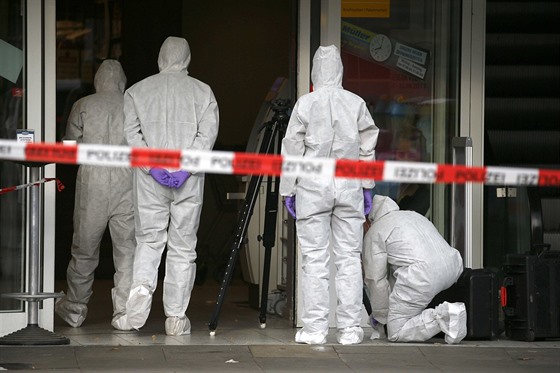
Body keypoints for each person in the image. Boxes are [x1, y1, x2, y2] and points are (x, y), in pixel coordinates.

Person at [118, 36, 219, 336]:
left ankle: (137, 301)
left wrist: (154, 166)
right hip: (188, 180)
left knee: (149, 241)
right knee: (183, 246)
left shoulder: (137, 91)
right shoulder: (203, 92)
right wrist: (185, 167)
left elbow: (131, 135)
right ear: (187, 58)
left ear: (160, 57)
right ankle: (175, 318)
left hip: (151, 180)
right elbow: (208, 134)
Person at [279, 45, 379, 345]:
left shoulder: (305, 104)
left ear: (314, 71)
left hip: (312, 188)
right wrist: (368, 186)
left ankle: (315, 328)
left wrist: (288, 189)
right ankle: (349, 329)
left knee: (314, 259)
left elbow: (292, 150)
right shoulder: (356, 103)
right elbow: (367, 147)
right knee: (349, 258)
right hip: (349, 186)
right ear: (339, 69)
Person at [55, 59, 135, 330]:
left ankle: (75, 309)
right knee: (126, 251)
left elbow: (68, 149)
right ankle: (124, 313)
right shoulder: (133, 103)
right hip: (127, 183)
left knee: (84, 249)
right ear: (122, 80)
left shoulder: (83, 105)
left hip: (92, 184)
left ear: (98, 80)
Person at [363, 195, 467, 344]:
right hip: (453, 266)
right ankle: (446, 315)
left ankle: (445, 316)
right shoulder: (413, 214)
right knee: (403, 282)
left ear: (368, 219)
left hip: (423, 276)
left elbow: (375, 280)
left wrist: (381, 317)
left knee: (396, 331)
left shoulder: (375, 232)